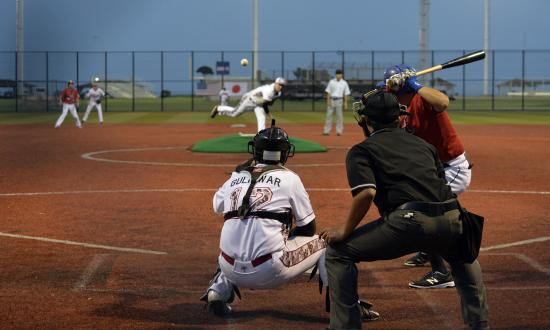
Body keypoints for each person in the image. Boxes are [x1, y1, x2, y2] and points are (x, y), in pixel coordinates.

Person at [319, 90, 488, 330]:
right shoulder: (425, 145)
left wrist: (344, 230)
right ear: (399, 118)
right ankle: (480, 325)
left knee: (337, 253)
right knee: (464, 256)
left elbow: (366, 193)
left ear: (366, 121)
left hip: (409, 222)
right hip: (453, 217)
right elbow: (440, 185)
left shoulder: (362, 150)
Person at [201, 121, 379, 321]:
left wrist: (237, 176)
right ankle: (345, 308)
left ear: (255, 151)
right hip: (269, 270)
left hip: (228, 268)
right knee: (325, 242)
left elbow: (217, 206)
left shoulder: (235, 177)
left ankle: (216, 292)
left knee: (237, 234)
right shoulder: (290, 178)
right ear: (285, 153)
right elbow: (308, 227)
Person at [380, 64, 472, 289]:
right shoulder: (402, 110)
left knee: (421, 209)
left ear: (405, 89)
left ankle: (441, 272)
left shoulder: (424, 100)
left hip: (453, 169)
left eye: (396, 93)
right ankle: (427, 249)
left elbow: (443, 102)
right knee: (411, 199)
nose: (393, 98)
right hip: (435, 170)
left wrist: (416, 84)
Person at [210, 78, 286, 132]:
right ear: (276, 83)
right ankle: (219, 108)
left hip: (259, 103)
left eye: (283, 85)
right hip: (249, 99)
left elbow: (269, 103)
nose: (281, 87)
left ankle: (261, 136)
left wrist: (271, 103)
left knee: (262, 118)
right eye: (279, 84)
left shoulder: (278, 93)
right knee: (234, 113)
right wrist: (270, 115)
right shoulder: (269, 90)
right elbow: (265, 104)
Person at [323, 69, 351, 136]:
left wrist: (345, 103)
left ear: (342, 75)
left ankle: (339, 131)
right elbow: (328, 92)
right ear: (335, 75)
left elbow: (346, 94)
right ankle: (326, 131)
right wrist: (328, 101)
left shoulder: (344, 83)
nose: (339, 75)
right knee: (329, 116)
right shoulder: (331, 82)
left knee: (339, 116)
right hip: (332, 100)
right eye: (338, 74)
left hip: (339, 100)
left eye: (340, 74)